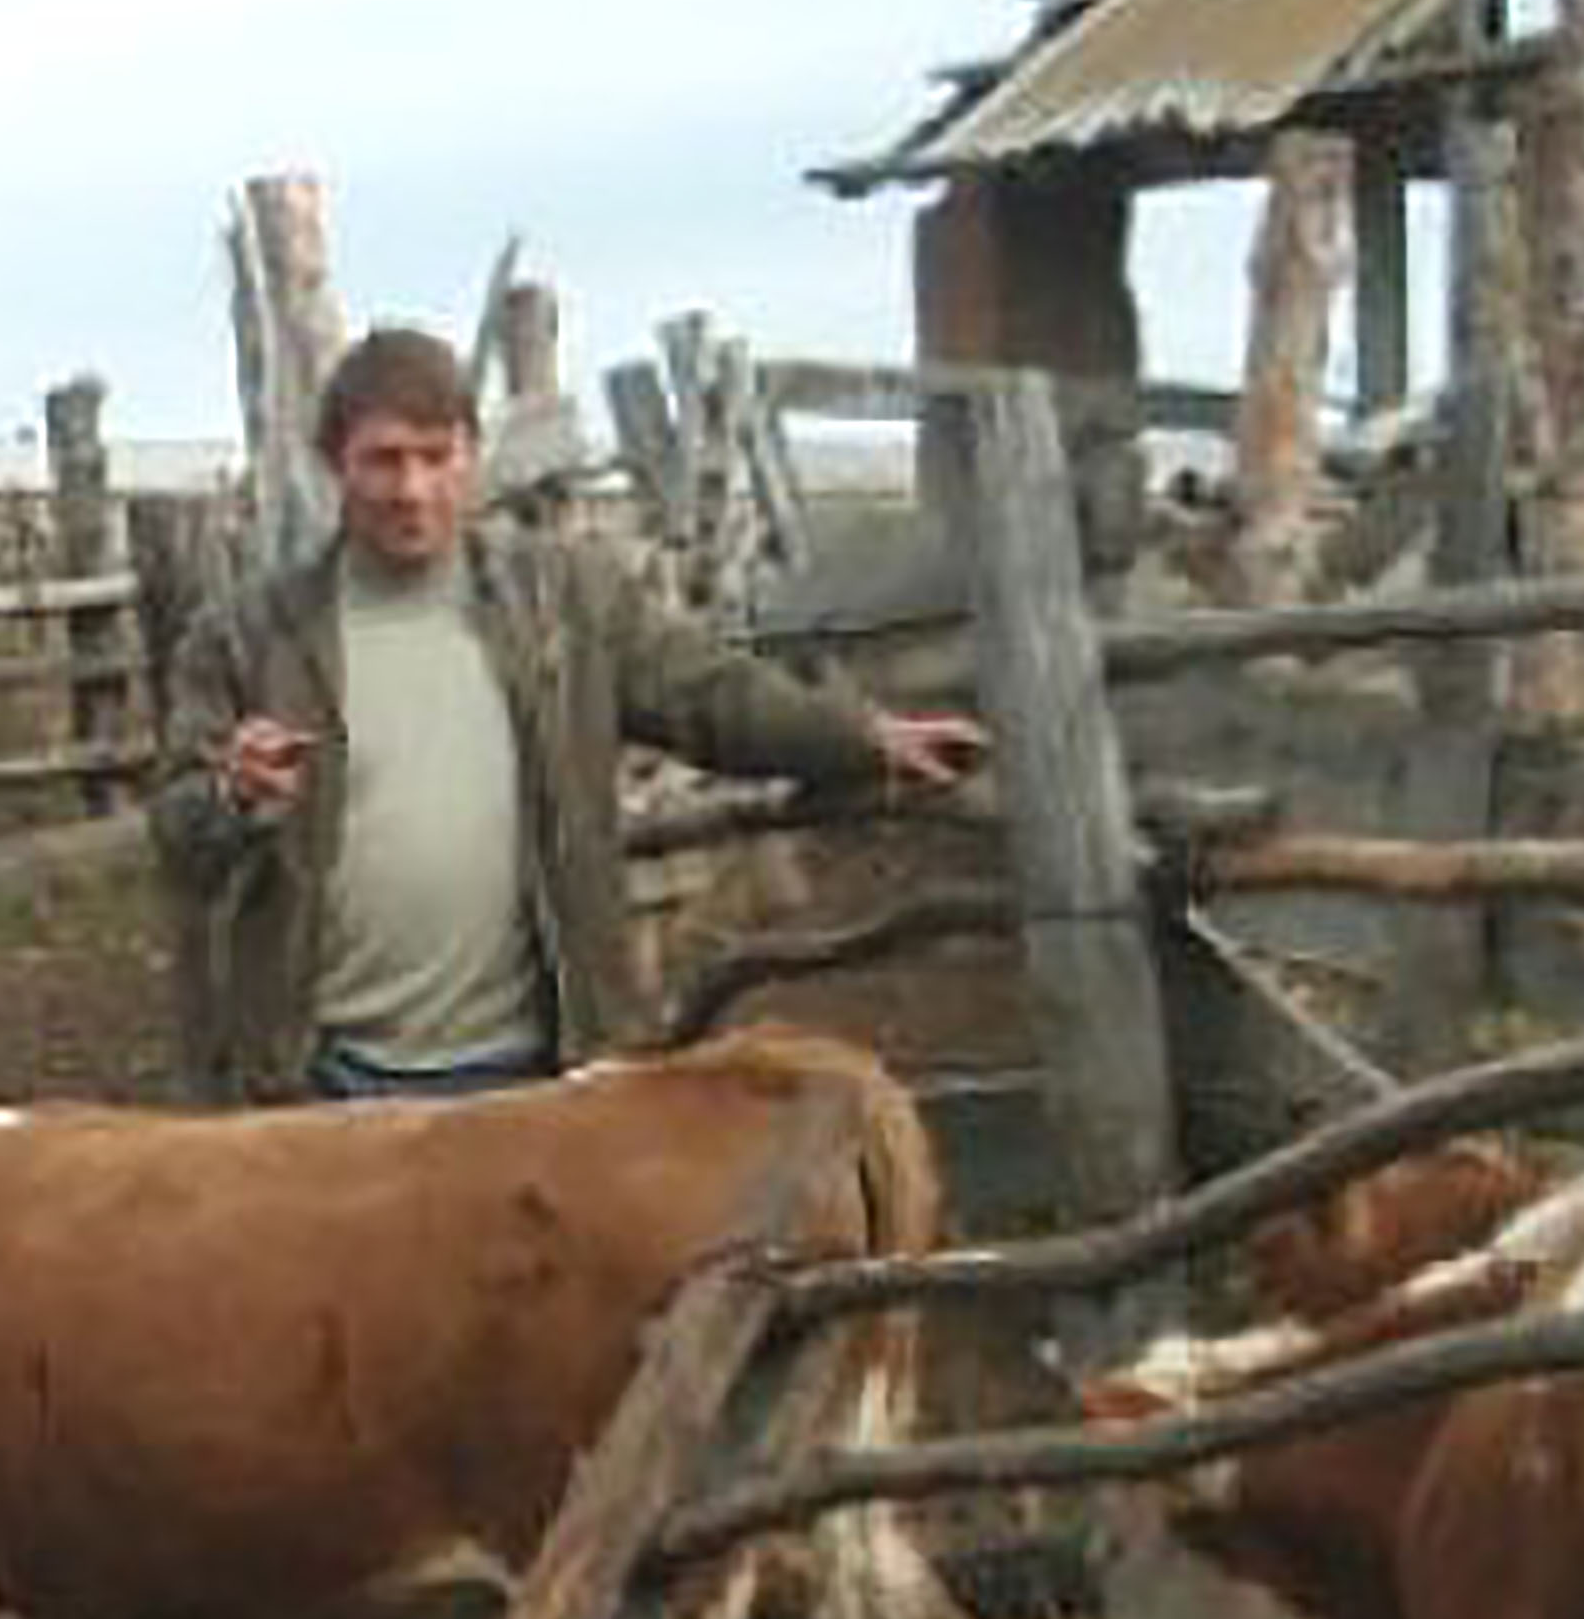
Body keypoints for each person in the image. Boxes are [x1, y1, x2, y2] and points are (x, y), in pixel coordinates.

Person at [150, 322, 987, 1107]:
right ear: (333, 463)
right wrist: (233, 797)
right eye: (384, 460)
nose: (412, 490)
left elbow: (709, 695)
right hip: (327, 1077)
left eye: (436, 458)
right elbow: (179, 836)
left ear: (472, 457)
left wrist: (856, 736)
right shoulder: (248, 637)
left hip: (538, 1070)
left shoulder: (564, 603)